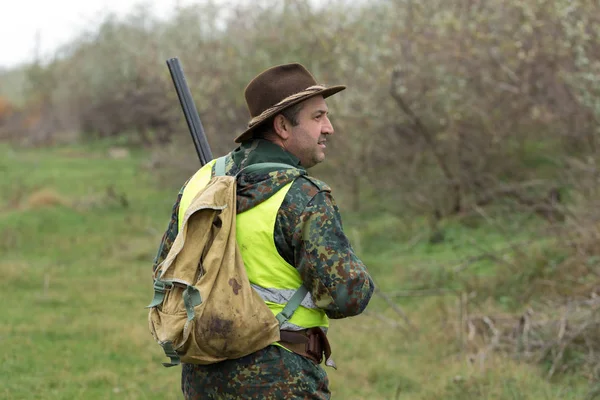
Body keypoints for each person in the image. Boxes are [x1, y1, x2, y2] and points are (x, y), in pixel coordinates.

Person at [152, 63, 375, 399]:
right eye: (318, 117)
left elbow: (165, 272)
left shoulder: (201, 182)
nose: (329, 127)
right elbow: (348, 297)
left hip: (203, 377)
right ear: (282, 125)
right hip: (283, 377)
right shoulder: (302, 196)